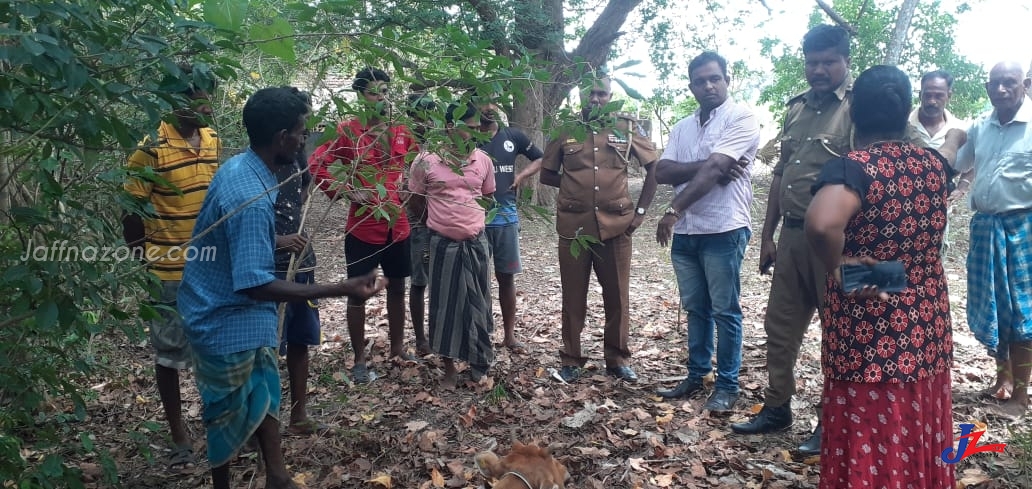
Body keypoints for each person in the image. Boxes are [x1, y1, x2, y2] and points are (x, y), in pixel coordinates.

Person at [177, 86, 386, 489]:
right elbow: (255, 284)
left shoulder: (243, 166)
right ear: (281, 138)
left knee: (264, 391)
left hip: (237, 310)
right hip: (221, 315)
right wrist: (340, 287)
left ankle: (277, 475)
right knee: (224, 411)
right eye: (301, 132)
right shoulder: (252, 195)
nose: (304, 139)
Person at [805, 64, 962, 489]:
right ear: (907, 110)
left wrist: (844, 271)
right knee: (913, 421)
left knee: (871, 426)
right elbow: (950, 152)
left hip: (869, 323)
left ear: (854, 111)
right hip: (925, 319)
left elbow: (821, 224)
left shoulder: (853, 168)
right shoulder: (931, 165)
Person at [729, 25, 853, 455]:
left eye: (827, 62)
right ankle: (777, 407)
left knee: (837, 333)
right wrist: (768, 234)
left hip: (835, 241)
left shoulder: (856, 110)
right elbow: (781, 173)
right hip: (792, 236)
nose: (818, 70)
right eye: (811, 62)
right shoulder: (796, 108)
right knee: (780, 327)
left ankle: (831, 421)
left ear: (845, 62)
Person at [122, 64, 219, 472]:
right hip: (166, 269)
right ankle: (179, 434)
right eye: (199, 97)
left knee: (212, 347)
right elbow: (131, 207)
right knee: (169, 353)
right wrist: (143, 258)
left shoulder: (212, 139)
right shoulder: (150, 144)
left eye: (208, 96)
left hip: (210, 266)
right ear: (178, 99)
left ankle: (219, 423)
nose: (206, 104)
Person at [653, 52, 760, 413]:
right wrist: (713, 165)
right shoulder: (682, 126)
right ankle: (697, 374)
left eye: (715, 78)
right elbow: (662, 172)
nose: (709, 85)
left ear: (727, 79)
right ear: (691, 86)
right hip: (688, 233)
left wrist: (674, 209)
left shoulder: (741, 117)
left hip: (723, 227)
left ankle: (728, 384)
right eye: (701, 81)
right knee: (695, 307)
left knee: (725, 309)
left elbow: (716, 167)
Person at [540, 76, 659, 383]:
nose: (595, 99)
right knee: (573, 295)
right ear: (580, 96)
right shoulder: (565, 128)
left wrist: (641, 212)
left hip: (617, 226)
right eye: (589, 93)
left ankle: (617, 359)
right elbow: (547, 173)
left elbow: (655, 167)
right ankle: (571, 359)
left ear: (610, 96)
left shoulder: (627, 126)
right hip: (574, 229)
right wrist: (573, 190)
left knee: (618, 296)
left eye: (601, 93)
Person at [309, 68, 417, 383]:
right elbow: (317, 163)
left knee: (398, 286)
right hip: (363, 227)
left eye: (385, 90)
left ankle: (397, 348)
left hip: (397, 226)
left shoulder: (401, 130)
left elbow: (415, 162)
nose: (381, 97)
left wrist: (410, 183)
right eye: (374, 92)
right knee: (358, 294)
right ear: (360, 96)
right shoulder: (347, 131)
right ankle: (359, 360)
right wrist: (345, 190)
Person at [954, 60, 1032, 417]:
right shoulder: (979, 127)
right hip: (985, 228)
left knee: (1022, 313)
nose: (1001, 89)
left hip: (1023, 228)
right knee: (995, 308)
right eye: (995, 83)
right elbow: (960, 163)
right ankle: (1002, 381)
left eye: (1009, 83)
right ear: (987, 87)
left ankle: (1021, 397)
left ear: (1024, 84)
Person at [407, 102, 497, 388]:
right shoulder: (426, 161)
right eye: (466, 127)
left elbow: (487, 198)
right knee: (443, 306)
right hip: (442, 244)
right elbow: (415, 200)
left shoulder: (482, 160)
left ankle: (478, 362)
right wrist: (439, 222)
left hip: (476, 243)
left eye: (475, 129)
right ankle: (448, 366)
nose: (471, 134)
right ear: (449, 127)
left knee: (478, 302)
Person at [470, 89, 545, 352]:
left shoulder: (513, 136)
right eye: (482, 100)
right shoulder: (470, 137)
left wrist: (522, 176)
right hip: (474, 219)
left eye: (492, 100)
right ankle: (480, 335)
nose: (488, 106)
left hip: (506, 217)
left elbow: (540, 157)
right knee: (478, 281)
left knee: (506, 279)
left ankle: (510, 336)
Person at [272, 143, 327, 435]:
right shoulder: (253, 173)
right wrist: (279, 239)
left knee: (300, 339)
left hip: (302, 261)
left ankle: (299, 415)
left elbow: (303, 193)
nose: (301, 138)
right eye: (297, 131)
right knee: (267, 345)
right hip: (270, 267)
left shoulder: (297, 163)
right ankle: (264, 421)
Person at [405, 93, 437, 357]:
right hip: (418, 222)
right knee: (419, 281)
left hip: (442, 222)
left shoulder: (438, 145)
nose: (424, 122)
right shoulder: (406, 144)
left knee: (439, 280)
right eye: (419, 115)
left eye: (428, 115)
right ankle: (420, 339)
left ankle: (439, 334)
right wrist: (426, 219)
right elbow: (410, 193)